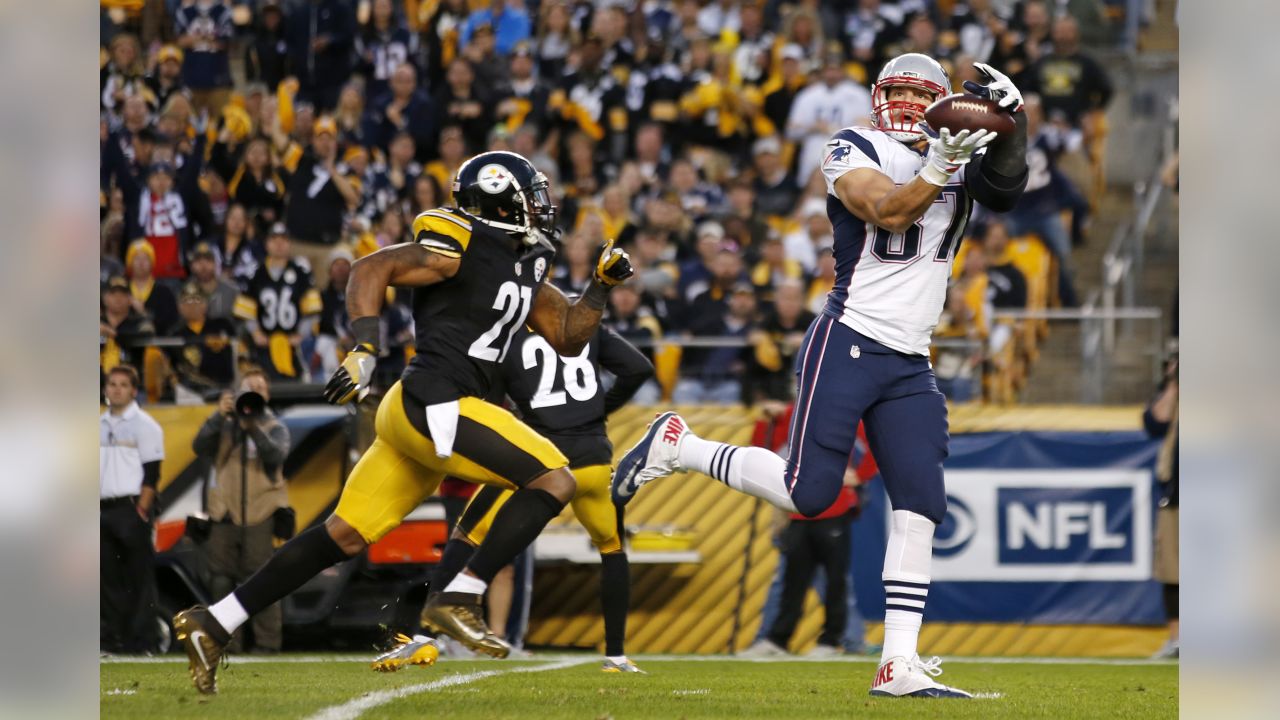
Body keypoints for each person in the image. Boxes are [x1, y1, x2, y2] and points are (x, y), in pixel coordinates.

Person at [613, 54, 1028, 698]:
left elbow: (1006, 188)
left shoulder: (959, 153)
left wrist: (1012, 123)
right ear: (878, 97)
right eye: (902, 93)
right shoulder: (852, 145)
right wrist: (940, 165)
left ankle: (898, 663)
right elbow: (889, 212)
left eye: (926, 95)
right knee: (809, 494)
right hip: (850, 339)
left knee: (922, 503)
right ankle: (680, 446)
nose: (912, 106)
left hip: (911, 358)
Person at [173, 151, 634, 694]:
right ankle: (459, 596)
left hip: (417, 410)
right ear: (498, 196)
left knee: (343, 534)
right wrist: (364, 346)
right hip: (437, 401)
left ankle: (215, 621)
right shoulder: (460, 238)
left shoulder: (525, 258)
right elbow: (374, 267)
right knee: (554, 478)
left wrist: (600, 288)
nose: (541, 205)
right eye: (530, 194)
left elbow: (566, 334)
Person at [374, 322, 654, 673]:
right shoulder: (584, 322)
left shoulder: (506, 334)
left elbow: (487, 407)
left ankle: (426, 635)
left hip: (542, 461)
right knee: (612, 551)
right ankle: (616, 657)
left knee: (466, 533)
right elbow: (639, 368)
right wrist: (597, 409)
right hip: (595, 459)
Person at [193, 368, 293, 654]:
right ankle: (227, 643)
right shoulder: (224, 425)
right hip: (224, 512)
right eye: (249, 389)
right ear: (237, 395)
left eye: (260, 389)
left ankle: (267, 644)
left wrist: (253, 427)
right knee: (221, 578)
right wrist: (217, 416)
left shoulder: (276, 426)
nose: (255, 394)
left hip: (260, 513)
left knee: (260, 578)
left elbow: (276, 455)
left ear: (268, 395)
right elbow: (199, 446)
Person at [100, 365, 164, 654]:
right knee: (107, 580)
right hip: (103, 508)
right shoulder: (98, 425)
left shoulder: (145, 425)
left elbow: (152, 474)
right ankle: (113, 640)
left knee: (139, 579)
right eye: (112, 384)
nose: (115, 389)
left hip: (130, 508)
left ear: (133, 390)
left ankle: (143, 642)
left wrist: (142, 510)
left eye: (122, 384)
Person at [234, 223, 323, 381]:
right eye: (274, 239)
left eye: (283, 239)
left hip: (293, 345)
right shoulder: (255, 273)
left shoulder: (301, 272)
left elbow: (312, 309)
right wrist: (256, 332)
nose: (279, 244)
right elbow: (245, 309)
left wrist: (301, 334)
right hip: (264, 344)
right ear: (267, 244)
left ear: (289, 244)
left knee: (297, 383)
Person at [1143, 354, 1179, 659]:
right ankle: (1178, 640)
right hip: (1177, 493)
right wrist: (1175, 384)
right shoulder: (1174, 394)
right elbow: (1154, 423)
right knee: (1172, 569)